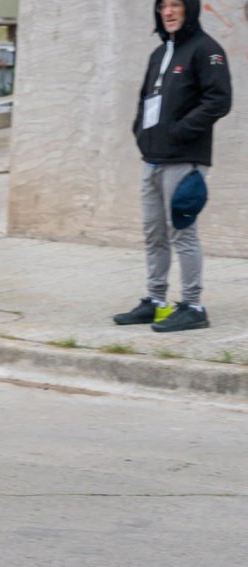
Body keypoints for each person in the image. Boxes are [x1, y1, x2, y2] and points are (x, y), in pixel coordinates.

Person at [114, 0, 231, 332]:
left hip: (184, 158)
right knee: (154, 232)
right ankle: (156, 301)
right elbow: (145, 100)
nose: (168, 12)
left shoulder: (206, 50)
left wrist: (180, 131)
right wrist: (140, 132)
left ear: (189, 8)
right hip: (152, 159)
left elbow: (219, 100)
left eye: (175, 4)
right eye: (163, 5)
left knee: (182, 232)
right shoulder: (159, 53)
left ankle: (193, 306)